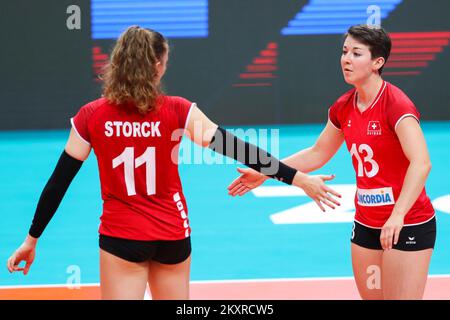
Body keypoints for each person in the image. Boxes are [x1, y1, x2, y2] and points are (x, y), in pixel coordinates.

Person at [6, 26, 341, 300]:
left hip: (121, 235)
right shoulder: (178, 110)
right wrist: (298, 179)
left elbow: (59, 181)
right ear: (158, 66)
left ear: (117, 64)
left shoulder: (92, 116)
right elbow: (238, 148)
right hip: (171, 234)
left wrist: (31, 239)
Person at [228, 25, 436, 300]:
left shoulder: (396, 105)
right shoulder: (343, 106)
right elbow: (318, 153)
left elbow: (421, 163)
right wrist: (266, 172)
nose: (346, 59)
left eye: (356, 53)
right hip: (366, 223)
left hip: (407, 223)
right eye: (345, 51)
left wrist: (397, 216)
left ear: (377, 62)